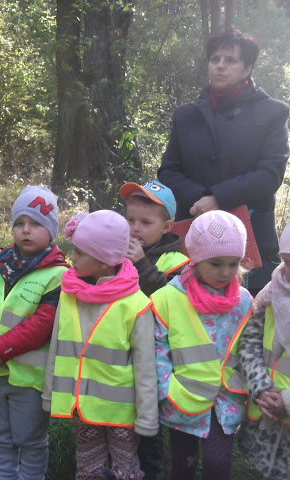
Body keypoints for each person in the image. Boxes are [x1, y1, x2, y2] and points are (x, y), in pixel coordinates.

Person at [157, 29, 290, 296]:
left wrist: (219, 198)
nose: (219, 66)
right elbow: (168, 170)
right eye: (214, 59)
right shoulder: (186, 115)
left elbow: (270, 173)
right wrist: (202, 200)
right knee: (188, 301)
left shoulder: (272, 112)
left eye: (230, 60)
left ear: (247, 68)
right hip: (193, 224)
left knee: (249, 306)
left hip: (250, 229)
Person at [42, 210, 158, 480]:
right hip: (81, 407)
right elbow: (56, 347)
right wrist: (49, 394)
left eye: (79, 253)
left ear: (104, 261)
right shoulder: (69, 294)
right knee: (87, 466)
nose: (71, 258)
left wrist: (147, 416)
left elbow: (145, 366)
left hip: (121, 412)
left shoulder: (136, 304)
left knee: (125, 469)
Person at [0, 185, 69, 480]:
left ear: (51, 231)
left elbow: (43, 323)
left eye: (36, 224)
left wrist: (2, 349)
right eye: (19, 223)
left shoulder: (59, 274)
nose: (26, 230)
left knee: (30, 440)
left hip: (29, 379)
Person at [151, 210, 254, 480]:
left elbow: (251, 346)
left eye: (233, 264)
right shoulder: (169, 298)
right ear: (196, 260)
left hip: (225, 401)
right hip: (182, 400)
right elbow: (157, 346)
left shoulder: (244, 301)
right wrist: (165, 388)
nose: (226, 272)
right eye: (216, 263)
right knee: (182, 466)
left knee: (218, 465)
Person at [238, 198, 290, 479]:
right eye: (286, 261)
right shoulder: (272, 293)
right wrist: (260, 387)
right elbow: (249, 343)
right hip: (268, 411)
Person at [119, 180, 189, 479]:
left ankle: (150, 470)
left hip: (157, 357)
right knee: (122, 415)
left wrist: (141, 266)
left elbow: (171, 301)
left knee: (149, 421)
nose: (135, 229)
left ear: (166, 226)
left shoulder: (178, 262)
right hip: (121, 349)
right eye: (130, 220)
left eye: (145, 223)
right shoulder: (118, 250)